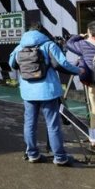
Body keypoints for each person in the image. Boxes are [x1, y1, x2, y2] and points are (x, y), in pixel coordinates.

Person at [9, 22, 84, 166]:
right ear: (42, 31)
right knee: (53, 124)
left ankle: (32, 154)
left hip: (28, 92)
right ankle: (60, 157)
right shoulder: (48, 44)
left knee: (30, 124)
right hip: (48, 91)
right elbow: (62, 63)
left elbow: (12, 64)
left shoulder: (19, 47)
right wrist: (78, 70)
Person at [65, 21, 95, 154]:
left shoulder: (83, 44)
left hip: (94, 85)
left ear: (90, 32)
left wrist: (79, 36)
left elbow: (69, 44)